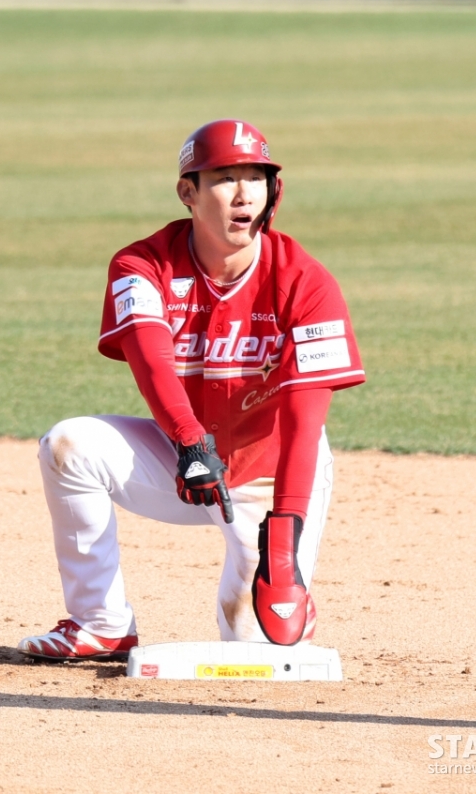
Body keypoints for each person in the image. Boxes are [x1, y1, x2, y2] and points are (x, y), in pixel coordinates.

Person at [20, 120, 365, 659]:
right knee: (70, 446)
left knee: (258, 648)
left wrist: (284, 541)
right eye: (225, 178)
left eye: (257, 177)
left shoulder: (305, 281)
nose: (245, 194)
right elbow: (150, 361)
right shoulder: (143, 265)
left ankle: (281, 584)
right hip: (184, 462)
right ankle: (101, 623)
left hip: (273, 468)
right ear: (189, 192)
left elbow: (305, 422)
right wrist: (188, 441)